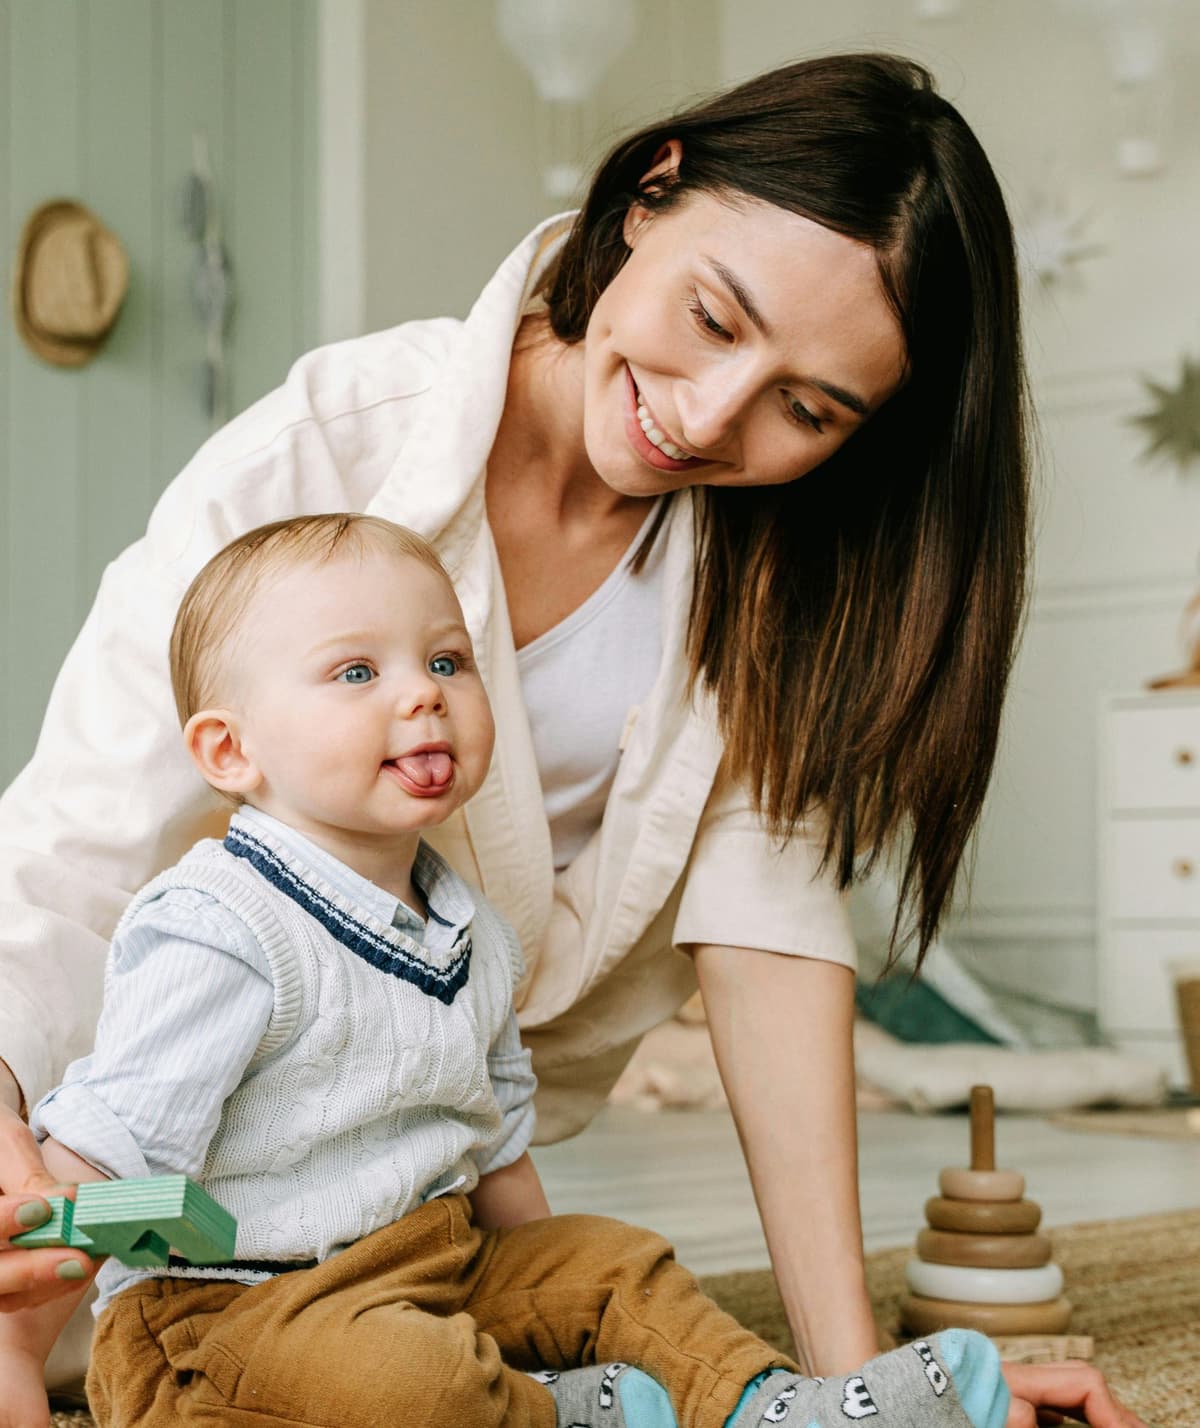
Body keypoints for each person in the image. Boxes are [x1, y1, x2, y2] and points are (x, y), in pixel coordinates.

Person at [0, 50, 1138, 1423]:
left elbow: (767, 936)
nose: (707, 418)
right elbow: (73, 853)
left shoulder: (774, 573)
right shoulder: (324, 451)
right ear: (652, 191)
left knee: (603, 1287)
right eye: (714, 318)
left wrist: (851, 1379)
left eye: (806, 409)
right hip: (138, 1209)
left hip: (416, 1216)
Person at [0, 513, 1050, 1428]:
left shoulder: (474, 930)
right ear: (231, 752)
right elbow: (110, 1140)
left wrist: (556, 1299)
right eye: (358, 673)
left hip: (425, 1263)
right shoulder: (220, 925)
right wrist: (19, 1313)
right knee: (409, 1385)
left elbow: (494, 1143)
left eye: (448, 661)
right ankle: (556, 1410)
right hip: (229, 1318)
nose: (424, 696)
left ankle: (774, 1407)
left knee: (618, 1264)